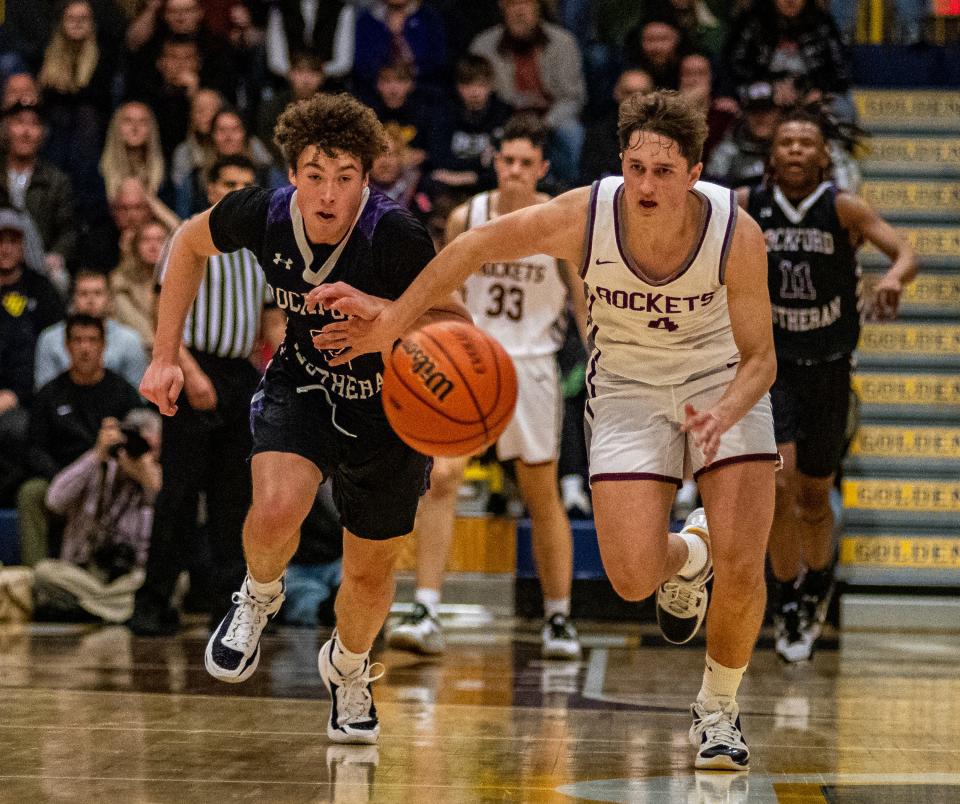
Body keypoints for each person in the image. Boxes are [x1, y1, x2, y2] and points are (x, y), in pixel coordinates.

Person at [309, 89, 779, 771]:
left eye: (664, 171)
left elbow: (762, 358)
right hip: (628, 387)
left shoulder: (736, 234)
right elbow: (469, 248)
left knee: (745, 560)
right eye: (637, 166)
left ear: (696, 172)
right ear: (622, 161)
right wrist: (389, 322)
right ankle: (690, 554)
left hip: (724, 381)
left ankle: (718, 709)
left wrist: (726, 413)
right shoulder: (585, 215)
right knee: (631, 577)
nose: (646, 184)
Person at [137, 93, 469, 744]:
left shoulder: (394, 234)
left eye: (344, 178)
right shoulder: (260, 214)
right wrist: (164, 354)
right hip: (306, 382)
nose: (327, 193)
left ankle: (348, 670)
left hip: (389, 408)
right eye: (314, 175)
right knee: (274, 507)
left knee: (369, 579)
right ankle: (257, 597)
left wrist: (383, 318)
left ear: (366, 180)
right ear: (292, 175)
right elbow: (187, 242)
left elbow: (456, 325)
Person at [388, 115, 587, 660]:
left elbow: (583, 302)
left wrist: (600, 362)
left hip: (532, 365)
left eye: (527, 163)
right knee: (443, 478)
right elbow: (442, 291)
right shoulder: (465, 217)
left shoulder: (563, 221)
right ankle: (426, 607)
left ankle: (558, 617)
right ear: (495, 163)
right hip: (471, 360)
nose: (515, 171)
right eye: (507, 161)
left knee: (540, 494)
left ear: (543, 169)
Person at [739, 106, 918, 663]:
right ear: (773, 152)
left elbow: (907, 251)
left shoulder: (842, 206)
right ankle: (787, 596)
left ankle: (817, 585)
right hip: (772, 366)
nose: (794, 149)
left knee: (815, 496)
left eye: (805, 142)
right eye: (786, 140)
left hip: (832, 364)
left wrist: (891, 278)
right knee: (777, 486)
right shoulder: (747, 205)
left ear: (823, 155)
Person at [130, 154, 283, 636]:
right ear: (209, 184)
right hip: (193, 364)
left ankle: (227, 606)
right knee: (178, 495)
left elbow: (268, 319)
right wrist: (188, 372)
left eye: (245, 184)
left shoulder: (261, 248)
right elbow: (162, 312)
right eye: (227, 182)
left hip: (242, 375)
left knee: (233, 500)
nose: (236, 191)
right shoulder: (188, 235)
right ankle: (152, 603)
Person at [20, 313, 142, 567]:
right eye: (78, 341)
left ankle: (125, 566)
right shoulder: (50, 394)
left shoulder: (122, 392)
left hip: (111, 476)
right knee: (30, 493)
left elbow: (142, 438)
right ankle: (36, 577)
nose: (85, 348)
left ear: (103, 345)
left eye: (92, 340)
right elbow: (34, 448)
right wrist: (63, 477)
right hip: (59, 475)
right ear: (67, 346)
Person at [35, 409, 161, 624]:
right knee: (44, 572)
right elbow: (54, 500)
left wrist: (152, 485)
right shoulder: (96, 465)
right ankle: (118, 611)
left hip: (131, 576)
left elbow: (171, 541)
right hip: (83, 573)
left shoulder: (157, 480)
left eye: (150, 447)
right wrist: (96, 454)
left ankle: (89, 609)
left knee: (168, 581)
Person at [34, 269, 148, 390]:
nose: (91, 301)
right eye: (83, 294)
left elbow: (138, 395)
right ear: (73, 298)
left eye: (98, 293)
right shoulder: (50, 339)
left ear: (109, 298)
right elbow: (44, 392)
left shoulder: (129, 340)